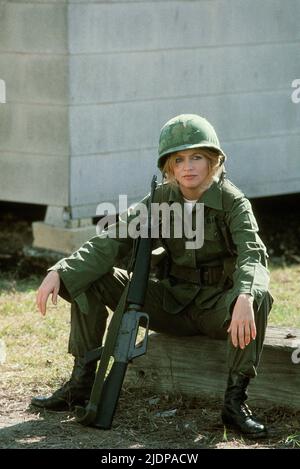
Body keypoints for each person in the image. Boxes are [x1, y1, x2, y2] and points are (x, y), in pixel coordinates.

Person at [32, 114, 273, 439]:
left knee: (259, 298)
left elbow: (253, 255)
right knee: (89, 277)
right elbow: (112, 238)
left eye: (197, 157)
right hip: (169, 301)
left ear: (213, 160)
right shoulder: (161, 198)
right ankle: (82, 382)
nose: (188, 166)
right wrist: (61, 270)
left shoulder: (233, 202)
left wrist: (245, 294)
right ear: (169, 167)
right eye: (179, 159)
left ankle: (234, 403)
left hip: (218, 309)